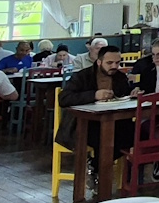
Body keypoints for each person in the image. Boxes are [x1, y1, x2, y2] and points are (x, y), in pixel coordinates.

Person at [57, 45, 135, 174]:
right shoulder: (83, 76)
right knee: (105, 138)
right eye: (109, 63)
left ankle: (95, 166)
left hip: (114, 121)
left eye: (117, 63)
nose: (114, 66)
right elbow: (64, 99)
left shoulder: (120, 77)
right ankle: (99, 173)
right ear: (99, 62)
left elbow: (124, 95)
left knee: (137, 133)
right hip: (84, 124)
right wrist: (94, 95)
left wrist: (133, 93)